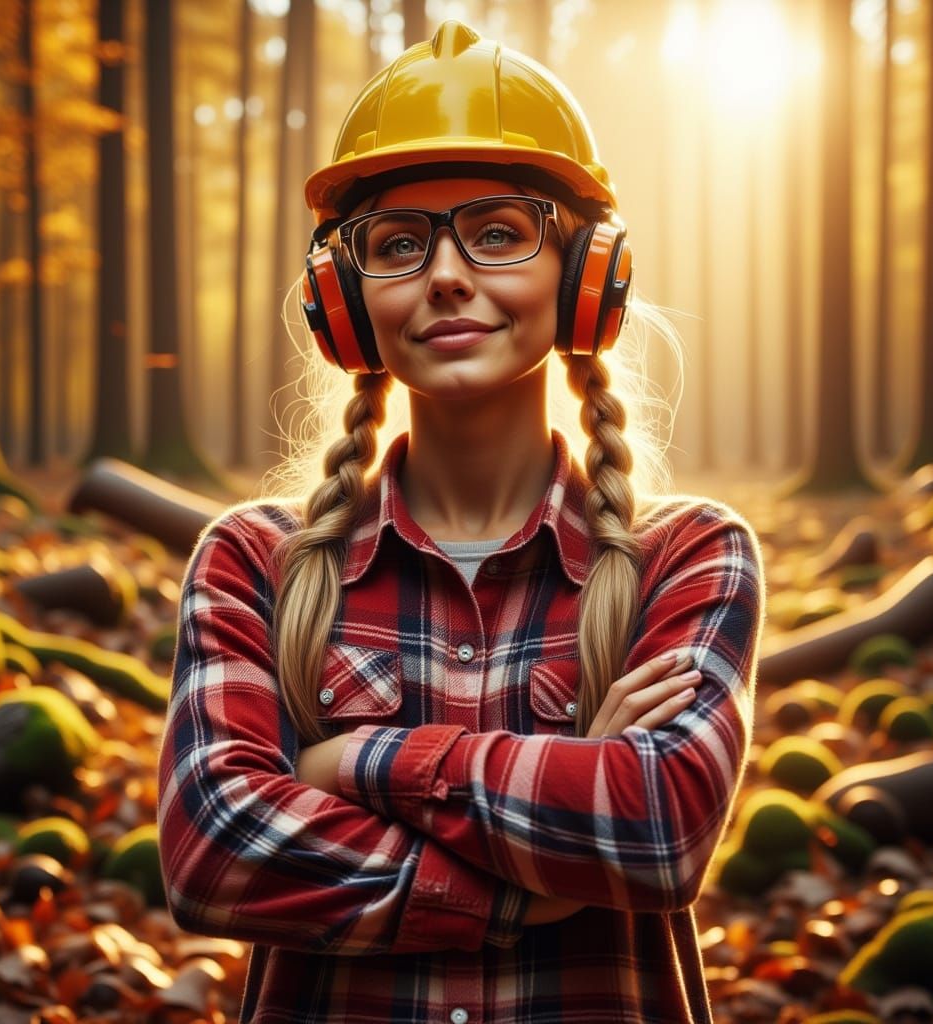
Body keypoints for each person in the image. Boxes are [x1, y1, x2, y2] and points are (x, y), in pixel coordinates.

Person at [158, 20, 765, 1024]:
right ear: (340, 297)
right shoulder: (254, 562)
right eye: (398, 244)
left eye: (496, 231)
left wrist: (353, 763)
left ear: (586, 277)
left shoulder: (688, 556)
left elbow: (660, 828)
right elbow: (214, 851)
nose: (445, 273)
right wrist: (531, 881)